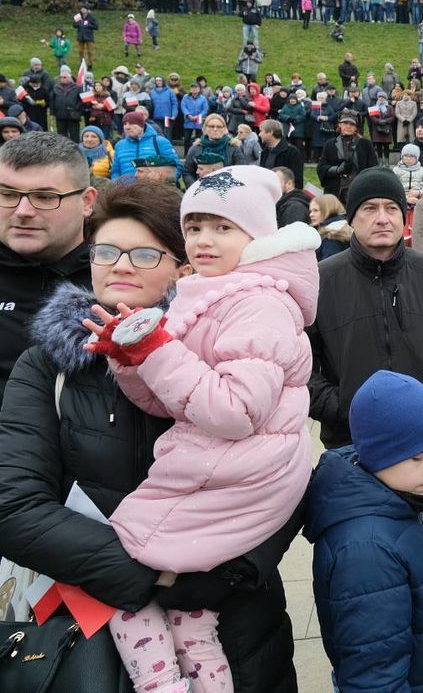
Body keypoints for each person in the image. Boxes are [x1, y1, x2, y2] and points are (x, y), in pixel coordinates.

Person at [0, 181, 301, 692]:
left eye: (143, 253)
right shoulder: (49, 366)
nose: (119, 266)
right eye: (106, 251)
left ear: (186, 267)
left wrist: (233, 570)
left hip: (236, 617)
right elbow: (13, 505)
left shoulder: (238, 339)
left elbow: (283, 466)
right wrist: (150, 575)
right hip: (88, 622)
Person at [81, 166, 315, 693]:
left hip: (230, 471)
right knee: (192, 620)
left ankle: (159, 686)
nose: (204, 240)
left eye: (223, 227)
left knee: (111, 581)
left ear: (256, 237)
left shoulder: (259, 302)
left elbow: (233, 410)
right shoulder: (209, 292)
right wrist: (129, 359)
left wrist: (155, 350)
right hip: (213, 463)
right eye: (195, 227)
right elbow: (171, 402)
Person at [307, 168, 423, 548]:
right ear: (352, 217)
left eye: (391, 208)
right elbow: (297, 363)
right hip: (351, 446)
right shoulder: (320, 280)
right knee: (361, 556)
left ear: (404, 216)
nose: (382, 217)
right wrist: (339, 406)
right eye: (369, 208)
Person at [306, 371, 423, 692]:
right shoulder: (366, 552)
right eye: (418, 456)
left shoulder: (395, 497)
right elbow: (374, 676)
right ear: (379, 454)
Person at [0, 132, 95, 403]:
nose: (23, 211)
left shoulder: (124, 273)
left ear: (87, 202)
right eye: (7, 194)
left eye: (44, 197)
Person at [317, 111, 377, 203]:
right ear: (340, 125)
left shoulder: (365, 144)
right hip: (336, 190)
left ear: (356, 128)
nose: (348, 126)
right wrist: (337, 169)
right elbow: (321, 167)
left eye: (352, 124)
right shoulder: (330, 144)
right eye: (345, 123)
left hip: (359, 190)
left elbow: (374, 168)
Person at [112, 111, 182, 181]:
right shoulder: (119, 145)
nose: (127, 127)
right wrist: (117, 187)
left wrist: (167, 183)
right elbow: (115, 171)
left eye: (132, 123)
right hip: (126, 190)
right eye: (125, 124)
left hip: (155, 190)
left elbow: (175, 166)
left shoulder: (160, 142)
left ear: (142, 126)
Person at [309, 193, 351, 261]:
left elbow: (329, 267)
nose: (311, 214)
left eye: (315, 210)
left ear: (327, 210)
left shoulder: (331, 235)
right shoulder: (341, 227)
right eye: (310, 211)